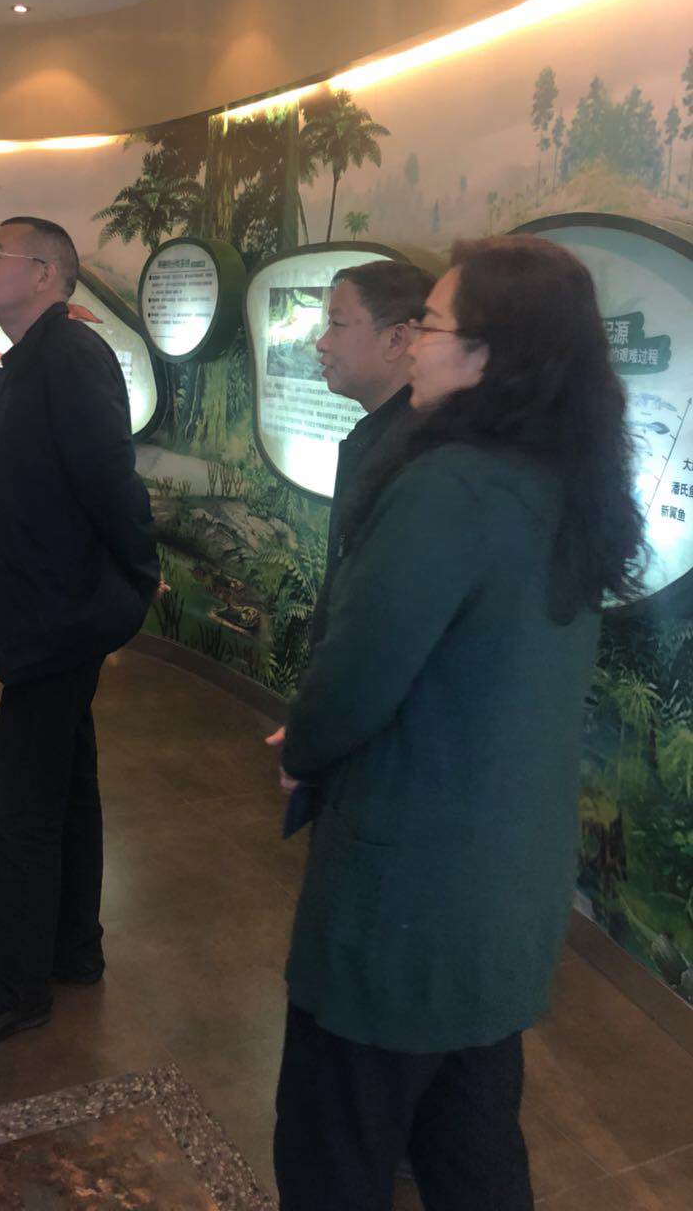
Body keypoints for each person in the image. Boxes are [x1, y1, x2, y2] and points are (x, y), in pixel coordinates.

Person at [272, 235, 643, 1211]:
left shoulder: (452, 485)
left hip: (410, 886)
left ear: (489, 355)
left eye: (432, 326)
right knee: (470, 1145)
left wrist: (302, 749)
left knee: (333, 1148)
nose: (416, 345)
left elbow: (357, 671)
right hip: (503, 884)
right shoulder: (563, 479)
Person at [0, 217, 160, 1054]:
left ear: (47, 274)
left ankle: (17, 989)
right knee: (67, 784)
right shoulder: (35, 357)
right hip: (48, 612)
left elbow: (110, 479)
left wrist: (140, 573)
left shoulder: (69, 355)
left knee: (21, 805)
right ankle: (74, 949)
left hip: (61, 617)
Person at [267, 260, 434, 819]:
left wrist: (319, 735)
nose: (321, 342)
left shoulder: (418, 459)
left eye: (338, 324)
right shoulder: (383, 437)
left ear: (398, 339)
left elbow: (381, 628)